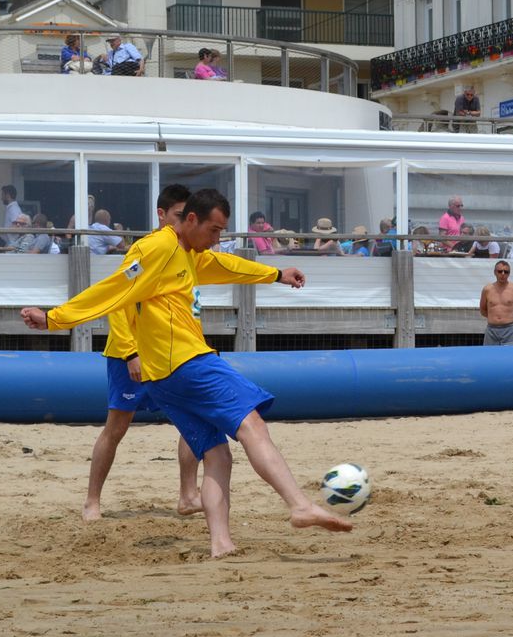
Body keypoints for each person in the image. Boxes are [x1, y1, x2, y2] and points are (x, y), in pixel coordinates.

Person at [20, 189, 351, 556]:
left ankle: (221, 542)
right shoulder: (156, 248)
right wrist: (54, 318)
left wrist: (275, 273)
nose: (217, 240)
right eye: (213, 230)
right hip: (186, 362)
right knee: (251, 423)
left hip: (163, 379)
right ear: (189, 219)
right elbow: (113, 291)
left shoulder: (190, 254)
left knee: (216, 454)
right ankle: (299, 505)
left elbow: (228, 266)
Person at [82, 183, 201, 521]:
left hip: (169, 353)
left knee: (195, 419)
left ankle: (188, 495)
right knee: (116, 428)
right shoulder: (145, 250)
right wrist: (132, 352)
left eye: (188, 217)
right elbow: (118, 303)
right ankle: (92, 500)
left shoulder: (184, 251)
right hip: (129, 356)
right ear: (161, 215)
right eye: (178, 216)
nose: (184, 223)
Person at [479, 260, 513, 346]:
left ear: (509, 273)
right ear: (495, 272)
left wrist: (509, 320)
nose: (503, 274)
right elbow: (482, 310)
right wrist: (494, 318)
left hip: (510, 330)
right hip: (491, 330)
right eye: (500, 271)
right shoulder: (487, 289)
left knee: (511, 357)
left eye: (506, 272)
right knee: (490, 357)